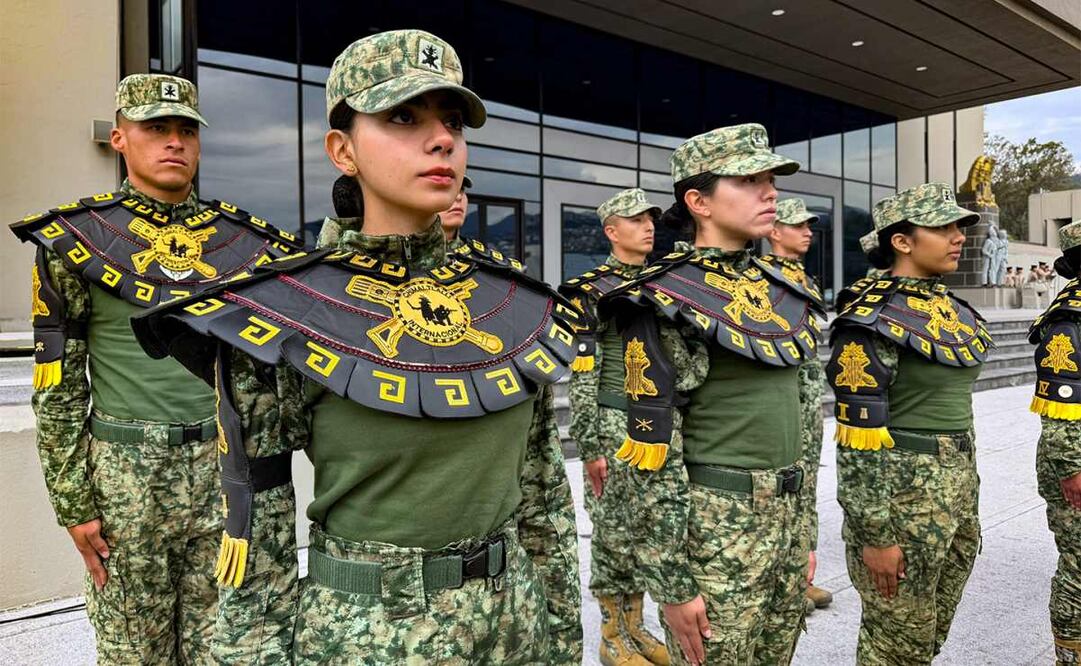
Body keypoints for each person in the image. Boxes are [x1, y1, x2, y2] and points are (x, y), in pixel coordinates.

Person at [131, 30, 582, 664]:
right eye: (403, 117)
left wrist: (562, 640)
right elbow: (253, 552)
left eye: (452, 120)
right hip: (365, 636)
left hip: (516, 628)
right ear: (343, 150)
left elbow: (543, 501)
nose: (442, 138)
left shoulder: (512, 306)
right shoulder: (287, 310)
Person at [8, 74, 302, 663]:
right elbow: (58, 388)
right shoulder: (80, 241)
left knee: (231, 648)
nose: (174, 142)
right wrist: (74, 503)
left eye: (186, 130)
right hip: (126, 482)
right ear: (119, 138)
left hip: (225, 475)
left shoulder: (242, 245)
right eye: (156, 128)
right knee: (132, 654)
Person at [597, 124, 824, 666]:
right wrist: (673, 582)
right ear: (697, 201)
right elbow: (650, 460)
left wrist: (806, 529)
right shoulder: (661, 300)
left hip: (787, 520)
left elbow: (808, 420)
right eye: (748, 180)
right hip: (718, 529)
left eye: (770, 179)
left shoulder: (785, 292)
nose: (769, 192)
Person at [828, 183, 993, 665]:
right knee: (895, 645)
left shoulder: (952, 309)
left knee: (927, 635)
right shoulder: (871, 319)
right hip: (903, 505)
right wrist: (876, 535)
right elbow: (856, 445)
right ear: (901, 241)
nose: (958, 236)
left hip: (957, 496)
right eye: (942, 227)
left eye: (959, 226)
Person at [560, 187, 669, 666]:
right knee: (614, 531)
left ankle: (637, 628)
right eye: (636, 219)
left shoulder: (664, 282)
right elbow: (583, 373)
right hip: (613, 421)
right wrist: (590, 447)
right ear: (611, 230)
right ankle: (612, 635)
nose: (648, 226)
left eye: (651, 219)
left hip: (659, 420)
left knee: (647, 527)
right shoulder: (591, 289)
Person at [760, 197, 833, 614]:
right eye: (797, 225)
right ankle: (775, 579)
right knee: (780, 488)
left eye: (809, 225)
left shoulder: (806, 279)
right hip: (782, 396)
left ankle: (799, 574)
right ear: (774, 232)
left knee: (805, 489)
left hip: (808, 397)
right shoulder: (762, 278)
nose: (807, 231)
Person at [1029, 219, 1081, 664]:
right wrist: (1072, 468)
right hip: (1077, 463)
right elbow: (1059, 407)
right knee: (1079, 569)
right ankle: (1070, 655)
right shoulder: (1068, 319)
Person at [440, 174, 472, 250]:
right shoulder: (408, 256)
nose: (458, 197)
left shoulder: (483, 260)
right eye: (444, 189)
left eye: (462, 189)